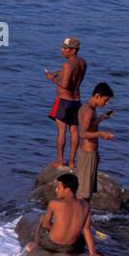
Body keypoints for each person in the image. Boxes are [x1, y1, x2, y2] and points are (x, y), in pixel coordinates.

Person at [25, 172, 104, 256]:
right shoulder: (86, 205)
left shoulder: (54, 203)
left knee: (41, 221)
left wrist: (57, 228)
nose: (56, 190)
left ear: (68, 190)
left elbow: (46, 225)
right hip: (70, 248)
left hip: (51, 245)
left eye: (58, 187)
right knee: (81, 236)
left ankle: (37, 246)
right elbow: (86, 229)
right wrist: (93, 253)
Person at [45, 36, 87, 167]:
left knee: (61, 131)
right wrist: (60, 72)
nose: (62, 50)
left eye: (65, 48)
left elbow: (65, 85)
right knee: (74, 131)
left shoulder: (67, 65)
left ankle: (59, 160)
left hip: (64, 101)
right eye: (62, 48)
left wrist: (52, 78)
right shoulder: (82, 63)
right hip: (77, 101)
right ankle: (71, 162)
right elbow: (75, 79)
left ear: (73, 50)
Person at [75, 82, 114, 201]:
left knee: (87, 190)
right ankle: (80, 216)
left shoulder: (87, 107)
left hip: (88, 153)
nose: (106, 103)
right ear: (97, 96)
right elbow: (82, 133)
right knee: (84, 193)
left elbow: (90, 126)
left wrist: (101, 118)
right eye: (105, 100)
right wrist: (101, 134)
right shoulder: (89, 111)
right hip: (88, 154)